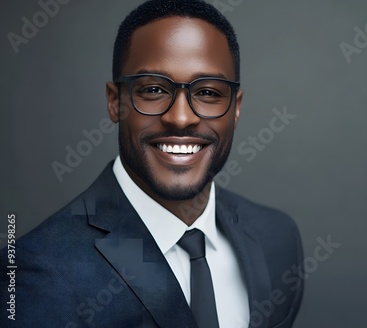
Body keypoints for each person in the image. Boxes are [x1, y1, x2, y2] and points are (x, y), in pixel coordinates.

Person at [0, 1, 304, 327]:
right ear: (115, 101)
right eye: (154, 89)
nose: (181, 117)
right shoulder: (37, 275)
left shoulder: (277, 238)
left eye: (208, 92)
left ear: (236, 108)